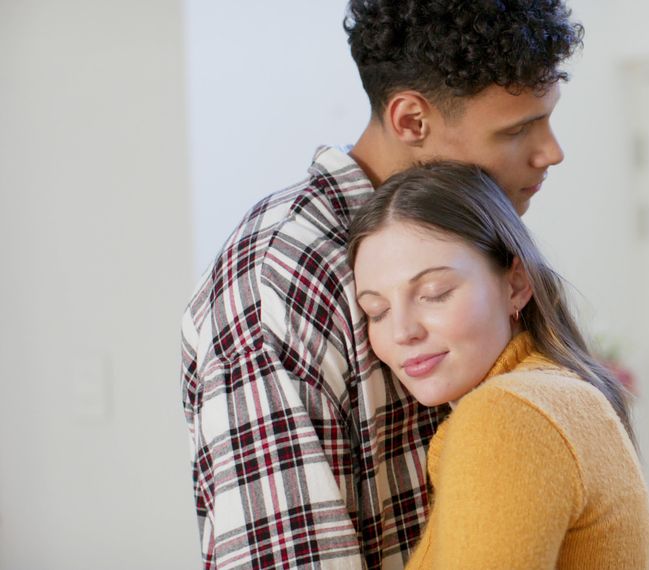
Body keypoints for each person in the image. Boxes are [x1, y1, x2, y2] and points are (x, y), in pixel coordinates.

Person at [180, 1, 582, 568]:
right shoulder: (281, 276)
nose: (551, 152)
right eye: (516, 130)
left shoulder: (473, 240)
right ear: (411, 121)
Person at [346, 161, 649, 569]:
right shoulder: (562, 398)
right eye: (376, 310)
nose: (402, 331)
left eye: (435, 293)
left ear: (516, 285)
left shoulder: (509, 414)